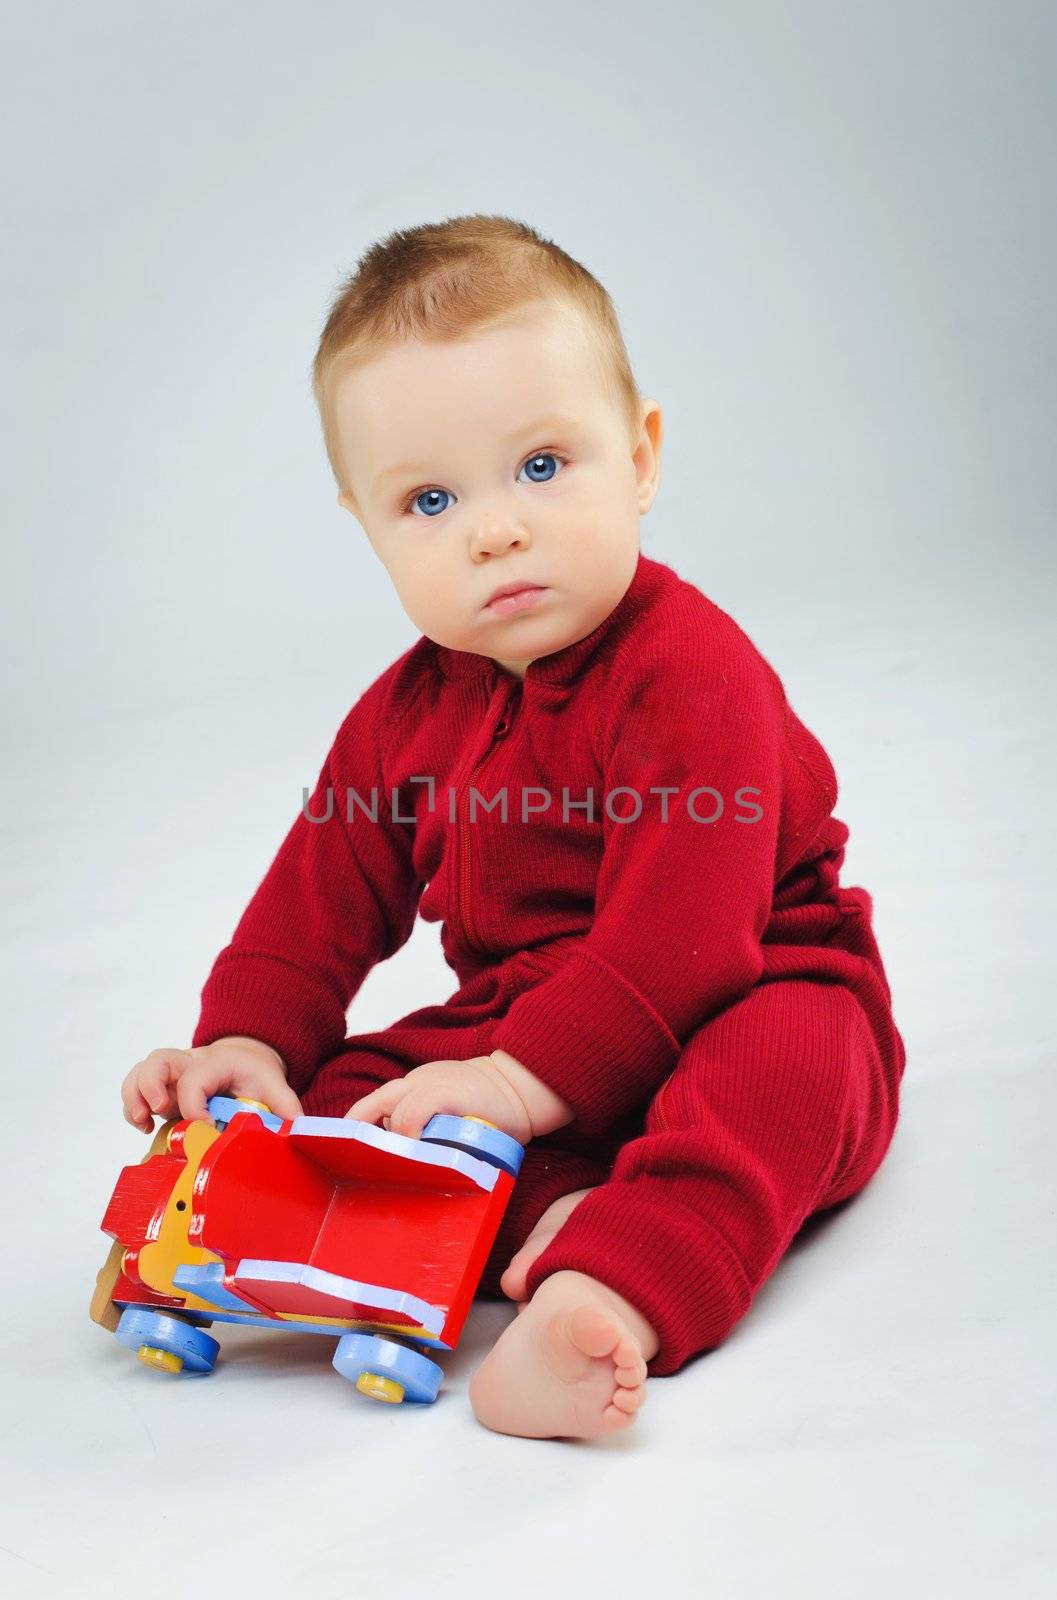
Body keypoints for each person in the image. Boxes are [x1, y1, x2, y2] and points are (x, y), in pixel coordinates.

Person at [120, 213, 906, 1441]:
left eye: (543, 467)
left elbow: (687, 940)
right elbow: (317, 897)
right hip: (532, 1016)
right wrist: (249, 1045)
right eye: (429, 500)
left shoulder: (690, 674)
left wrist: (511, 1080)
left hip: (752, 976)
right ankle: (290, 1233)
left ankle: (609, 1287)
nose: (495, 528)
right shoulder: (402, 711)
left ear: (639, 458)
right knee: (351, 1093)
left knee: (780, 1075)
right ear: (367, 529)